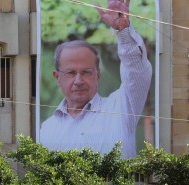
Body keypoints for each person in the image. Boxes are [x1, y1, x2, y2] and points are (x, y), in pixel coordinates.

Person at [39, 0, 151, 159]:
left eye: (86, 72)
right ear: (57, 77)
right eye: (71, 73)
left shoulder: (121, 109)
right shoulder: (48, 128)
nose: (78, 81)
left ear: (98, 75)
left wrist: (123, 31)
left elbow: (137, 72)